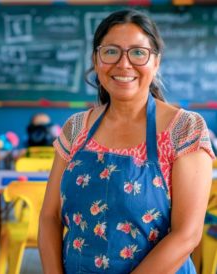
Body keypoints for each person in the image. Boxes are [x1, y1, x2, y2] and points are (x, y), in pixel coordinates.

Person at [38, 9, 214, 274]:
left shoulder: (184, 129)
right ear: (96, 60)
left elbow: (186, 235)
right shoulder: (75, 128)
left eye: (138, 52)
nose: (123, 64)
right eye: (111, 51)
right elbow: (49, 217)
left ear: (156, 62)